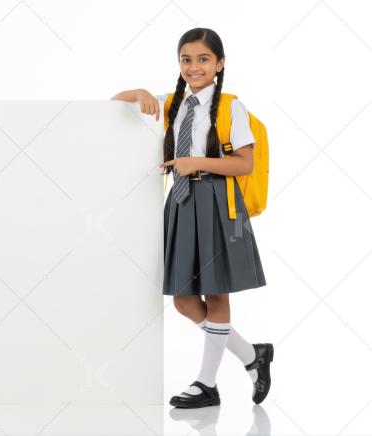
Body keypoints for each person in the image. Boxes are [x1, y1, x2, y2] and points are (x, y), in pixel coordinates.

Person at [112, 27, 273, 409]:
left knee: (216, 292)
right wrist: (138, 92)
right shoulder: (173, 103)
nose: (194, 67)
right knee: (183, 299)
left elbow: (245, 163)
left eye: (203, 59)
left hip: (217, 201)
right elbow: (114, 104)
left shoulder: (231, 106)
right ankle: (252, 355)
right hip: (181, 203)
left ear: (219, 64)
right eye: (186, 59)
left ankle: (206, 384)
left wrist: (194, 163)